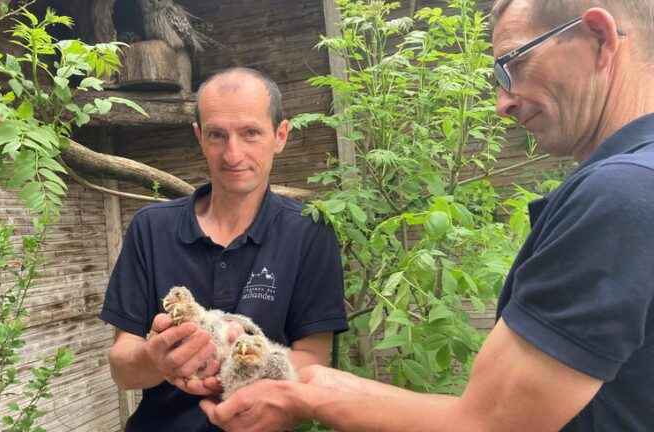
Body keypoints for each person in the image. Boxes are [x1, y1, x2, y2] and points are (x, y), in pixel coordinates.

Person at [200, 1, 654, 431]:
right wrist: (321, 383)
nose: (503, 102)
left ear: (597, 37)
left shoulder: (620, 194)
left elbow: (488, 423)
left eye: (512, 65)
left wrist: (305, 401)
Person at [99, 67, 348, 431]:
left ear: (280, 135)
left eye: (250, 133)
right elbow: (122, 368)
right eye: (217, 135)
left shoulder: (309, 232)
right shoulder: (151, 228)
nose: (233, 154)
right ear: (199, 137)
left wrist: (246, 362)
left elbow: (313, 359)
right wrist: (157, 358)